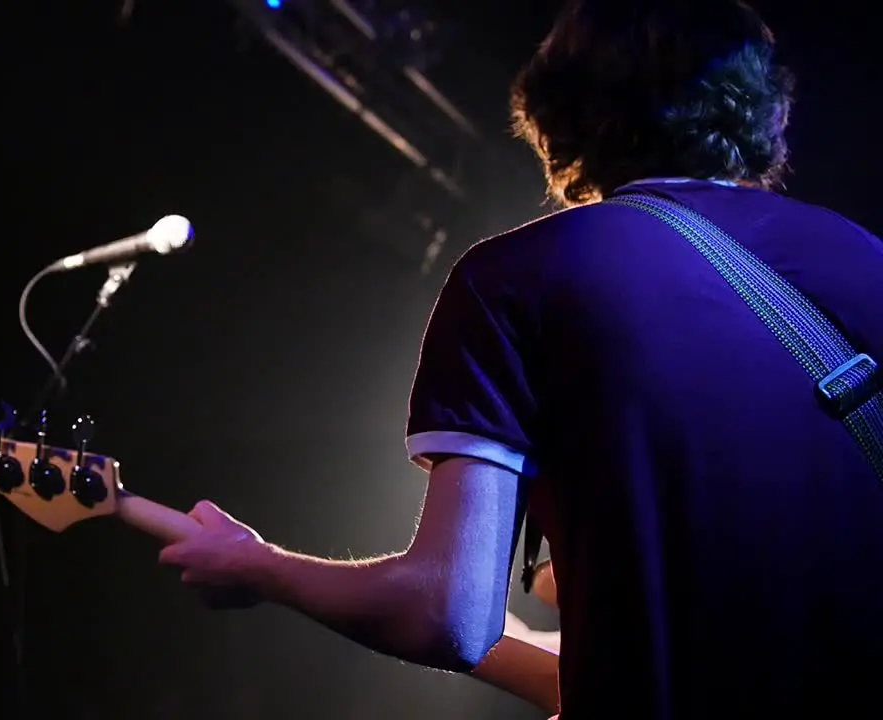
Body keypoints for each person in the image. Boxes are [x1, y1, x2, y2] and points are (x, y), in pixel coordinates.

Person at [158, 1, 883, 717]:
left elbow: (449, 616)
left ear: (558, 112)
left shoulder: (517, 277)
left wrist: (261, 566)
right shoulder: (866, 258)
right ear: (762, 109)